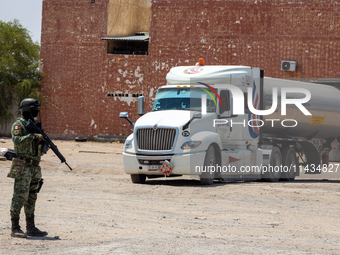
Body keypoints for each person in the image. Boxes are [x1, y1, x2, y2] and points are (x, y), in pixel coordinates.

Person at [9, 98, 48, 238]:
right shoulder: (19, 125)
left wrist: (44, 147)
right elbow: (17, 141)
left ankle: (30, 227)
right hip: (23, 165)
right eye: (34, 109)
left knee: (32, 197)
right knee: (20, 196)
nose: (37, 111)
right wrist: (32, 136)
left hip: (35, 166)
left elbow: (38, 149)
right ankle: (15, 228)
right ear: (27, 109)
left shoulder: (36, 125)